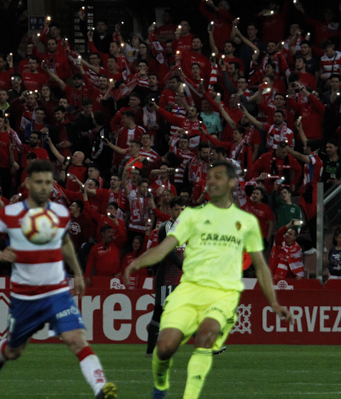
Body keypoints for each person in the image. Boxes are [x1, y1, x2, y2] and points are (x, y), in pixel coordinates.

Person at [123, 160, 291, 399]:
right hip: (189, 289)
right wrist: (138, 261)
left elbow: (261, 266)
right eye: (209, 177)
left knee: (205, 336)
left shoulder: (247, 223)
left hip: (223, 293)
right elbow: (164, 248)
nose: (210, 181)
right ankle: (160, 387)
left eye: (218, 177)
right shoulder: (192, 216)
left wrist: (274, 303)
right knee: (165, 347)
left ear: (232, 183)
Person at [0, 160, 117, 399]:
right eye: (39, 182)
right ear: (28, 183)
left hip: (57, 292)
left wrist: (78, 273)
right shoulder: (9, 214)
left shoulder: (60, 212)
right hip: (25, 298)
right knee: (14, 351)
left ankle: (101, 389)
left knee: (76, 339)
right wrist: (1, 254)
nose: (44, 187)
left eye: (48, 182)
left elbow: (64, 242)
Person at [145, 196, 185, 358]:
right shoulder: (166, 227)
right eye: (177, 209)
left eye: (182, 209)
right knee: (159, 313)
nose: (180, 212)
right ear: (171, 210)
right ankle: (150, 351)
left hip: (181, 277)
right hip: (167, 277)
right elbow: (169, 252)